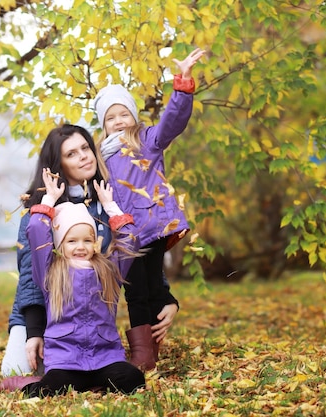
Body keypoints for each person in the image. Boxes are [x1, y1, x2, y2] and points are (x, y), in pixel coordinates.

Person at [1, 124, 179, 377]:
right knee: (15, 371)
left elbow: (135, 253)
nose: (84, 156)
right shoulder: (39, 213)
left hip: (92, 321)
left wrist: (165, 297)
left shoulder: (108, 203)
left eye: (85, 147)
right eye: (71, 153)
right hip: (46, 315)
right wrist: (34, 332)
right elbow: (31, 278)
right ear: (58, 164)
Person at [92, 47, 205, 370]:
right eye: (110, 118)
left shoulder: (147, 140)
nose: (118, 122)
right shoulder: (100, 154)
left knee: (149, 283)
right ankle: (146, 350)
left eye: (123, 114)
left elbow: (173, 121)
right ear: (103, 123)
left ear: (134, 116)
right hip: (123, 234)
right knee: (136, 291)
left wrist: (182, 84)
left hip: (152, 225)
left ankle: (148, 351)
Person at [0, 169, 145, 396]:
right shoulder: (50, 272)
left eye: (87, 240)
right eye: (72, 240)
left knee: (133, 379)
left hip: (104, 357)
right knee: (49, 388)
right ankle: (27, 384)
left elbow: (131, 241)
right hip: (66, 359)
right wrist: (49, 200)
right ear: (60, 244)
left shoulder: (107, 270)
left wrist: (110, 206)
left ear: (95, 242)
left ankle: (93, 385)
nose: (80, 246)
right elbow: (37, 230)